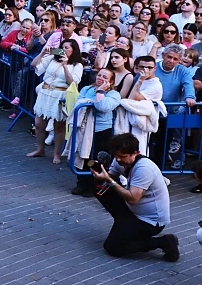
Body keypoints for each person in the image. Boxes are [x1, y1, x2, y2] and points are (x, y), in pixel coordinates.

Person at [89, 133, 178, 261]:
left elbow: (133, 198)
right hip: (133, 211)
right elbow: (111, 177)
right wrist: (100, 174)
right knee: (99, 188)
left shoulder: (144, 168)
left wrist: (109, 180)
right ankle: (123, 224)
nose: (118, 159)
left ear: (136, 152)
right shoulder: (119, 159)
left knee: (113, 247)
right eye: (116, 156)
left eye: (122, 156)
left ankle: (164, 242)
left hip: (150, 221)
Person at [27, 40, 85, 164]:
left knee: (59, 126)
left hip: (61, 95)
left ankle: (56, 154)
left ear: (73, 50)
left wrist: (65, 65)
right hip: (45, 93)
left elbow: (72, 83)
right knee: (39, 124)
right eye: (62, 47)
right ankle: (40, 149)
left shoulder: (77, 65)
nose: (63, 50)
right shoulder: (52, 58)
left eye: (67, 48)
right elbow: (34, 65)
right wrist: (42, 53)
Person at [71, 68, 121, 196]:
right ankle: (81, 183)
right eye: (99, 75)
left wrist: (100, 92)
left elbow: (102, 107)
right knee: (82, 156)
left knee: (96, 159)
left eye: (105, 77)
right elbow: (77, 103)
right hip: (83, 129)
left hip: (101, 130)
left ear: (111, 81)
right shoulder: (86, 89)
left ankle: (93, 185)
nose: (101, 78)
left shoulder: (114, 94)